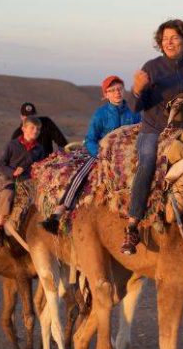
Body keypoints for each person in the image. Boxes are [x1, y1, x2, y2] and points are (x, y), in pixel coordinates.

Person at [121, 18, 183, 254]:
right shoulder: (151, 68)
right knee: (147, 163)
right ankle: (132, 225)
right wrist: (137, 89)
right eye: (164, 39)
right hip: (153, 130)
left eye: (173, 38)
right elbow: (135, 106)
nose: (168, 42)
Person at [40, 75, 140, 234]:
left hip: (127, 155)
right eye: (112, 90)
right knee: (81, 175)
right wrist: (100, 153)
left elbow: (139, 132)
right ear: (105, 95)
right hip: (102, 153)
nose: (117, 93)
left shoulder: (134, 112)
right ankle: (59, 212)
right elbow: (90, 139)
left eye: (119, 89)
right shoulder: (100, 114)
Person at [0, 116, 45, 246]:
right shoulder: (12, 145)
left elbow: (41, 165)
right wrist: (12, 172)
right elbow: (1, 164)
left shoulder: (39, 148)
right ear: (23, 128)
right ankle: (0, 226)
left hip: (31, 181)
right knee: (7, 195)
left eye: (38, 129)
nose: (35, 131)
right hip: (13, 180)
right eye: (32, 128)